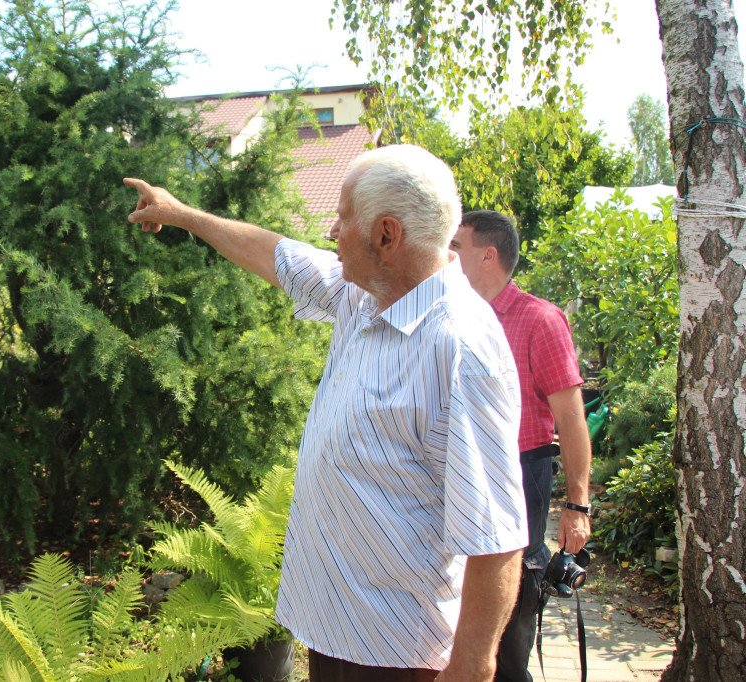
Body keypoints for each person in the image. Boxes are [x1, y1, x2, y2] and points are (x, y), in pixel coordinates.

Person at [125, 144, 528, 682]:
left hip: (399, 656)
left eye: (343, 217)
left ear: (387, 235)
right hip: (334, 634)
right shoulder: (363, 296)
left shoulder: (461, 349)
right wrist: (182, 215)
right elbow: (276, 254)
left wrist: (473, 667)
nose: (331, 231)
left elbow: (496, 537)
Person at [449, 210, 592, 682]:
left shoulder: (539, 320)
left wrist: (577, 504)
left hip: (520, 470)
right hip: (457, 466)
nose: (447, 255)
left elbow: (571, 419)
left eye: (457, 246)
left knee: (509, 623)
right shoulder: (450, 314)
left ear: (488, 255)